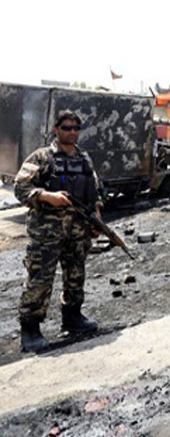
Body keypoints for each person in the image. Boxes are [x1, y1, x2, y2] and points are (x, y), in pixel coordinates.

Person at [13, 110, 103, 352]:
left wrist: (96, 217)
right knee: (40, 279)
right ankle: (30, 329)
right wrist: (47, 196)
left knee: (75, 275)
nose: (72, 132)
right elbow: (20, 187)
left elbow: (94, 190)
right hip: (47, 232)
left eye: (76, 127)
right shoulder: (42, 157)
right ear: (56, 129)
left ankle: (72, 317)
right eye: (66, 127)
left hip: (78, 231)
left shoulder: (84, 158)